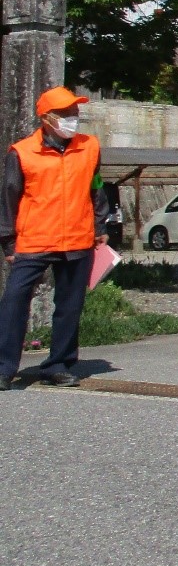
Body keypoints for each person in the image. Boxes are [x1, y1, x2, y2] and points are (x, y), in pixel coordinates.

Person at [0, 87, 109, 391]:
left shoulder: (89, 147)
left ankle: (58, 364)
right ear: (46, 118)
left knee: (70, 305)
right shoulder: (21, 152)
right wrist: (8, 242)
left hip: (78, 238)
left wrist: (100, 224)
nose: (72, 118)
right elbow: (9, 198)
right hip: (34, 240)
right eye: (65, 113)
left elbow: (96, 185)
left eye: (74, 112)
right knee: (13, 302)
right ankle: (4, 367)